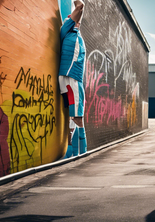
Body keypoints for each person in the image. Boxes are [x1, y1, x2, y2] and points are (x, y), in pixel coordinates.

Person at [59, 0, 87, 158]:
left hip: (72, 78)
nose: (77, 22)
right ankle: (81, 154)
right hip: (71, 79)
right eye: (74, 19)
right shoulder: (66, 30)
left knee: (72, 117)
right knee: (77, 117)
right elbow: (80, 6)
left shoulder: (78, 36)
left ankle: (74, 153)